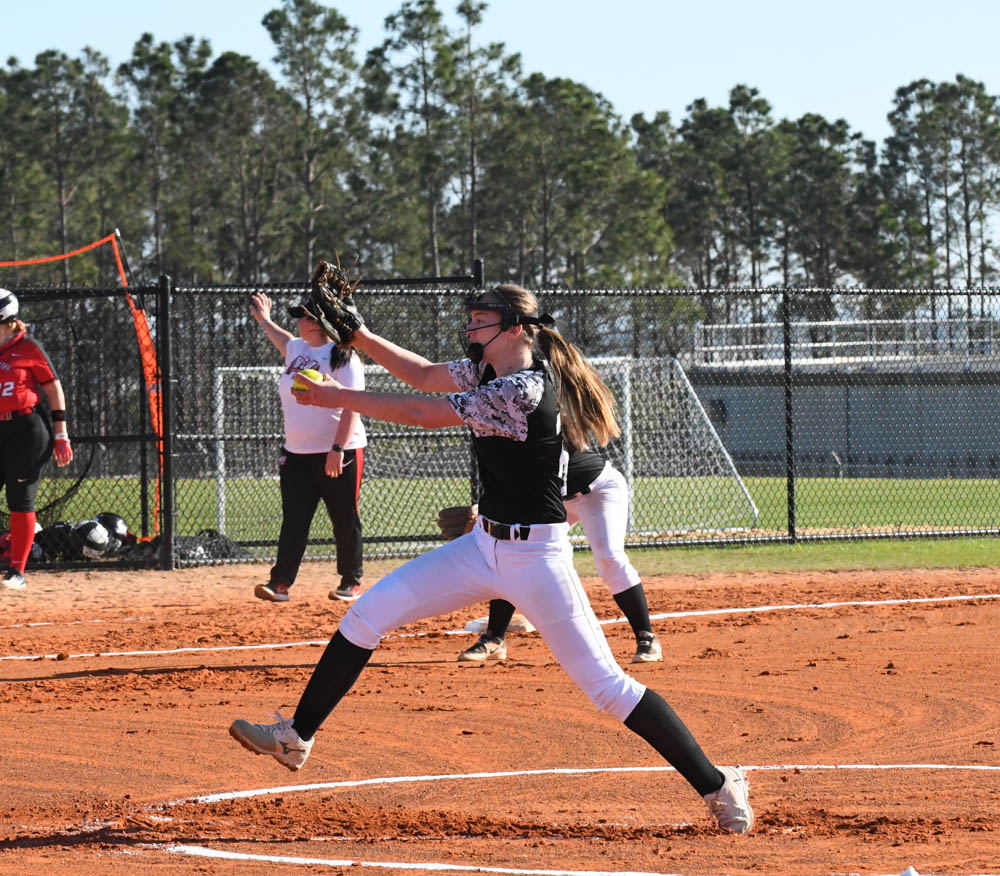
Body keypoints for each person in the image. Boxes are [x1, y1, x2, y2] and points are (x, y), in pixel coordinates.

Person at [229, 284, 753, 834]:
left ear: (515, 329)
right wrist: (359, 336)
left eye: (481, 321)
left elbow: (422, 410)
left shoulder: (524, 389)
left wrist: (335, 396)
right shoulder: (484, 371)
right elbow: (426, 375)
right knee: (365, 616)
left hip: (538, 559)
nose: (472, 330)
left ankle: (719, 784)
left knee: (608, 687)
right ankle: (295, 737)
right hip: (482, 548)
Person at [458, 450, 662, 664]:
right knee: (511, 551)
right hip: (553, 501)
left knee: (609, 557)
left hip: (598, 491)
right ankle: (494, 639)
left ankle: (646, 637)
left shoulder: (544, 419)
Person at [248, 291, 367, 603]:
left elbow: (353, 406)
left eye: (303, 316)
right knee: (295, 519)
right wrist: (264, 320)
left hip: (339, 452)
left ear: (318, 323)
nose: (298, 321)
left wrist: (337, 448)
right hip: (296, 453)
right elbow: (283, 339)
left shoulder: (343, 355)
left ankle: (351, 581)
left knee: (343, 517)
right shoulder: (297, 348)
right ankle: (280, 583)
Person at [0, 289, 73, 591]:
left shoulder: (28, 347)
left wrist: (61, 433)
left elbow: (54, 389)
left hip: (27, 431)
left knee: (20, 501)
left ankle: (17, 571)